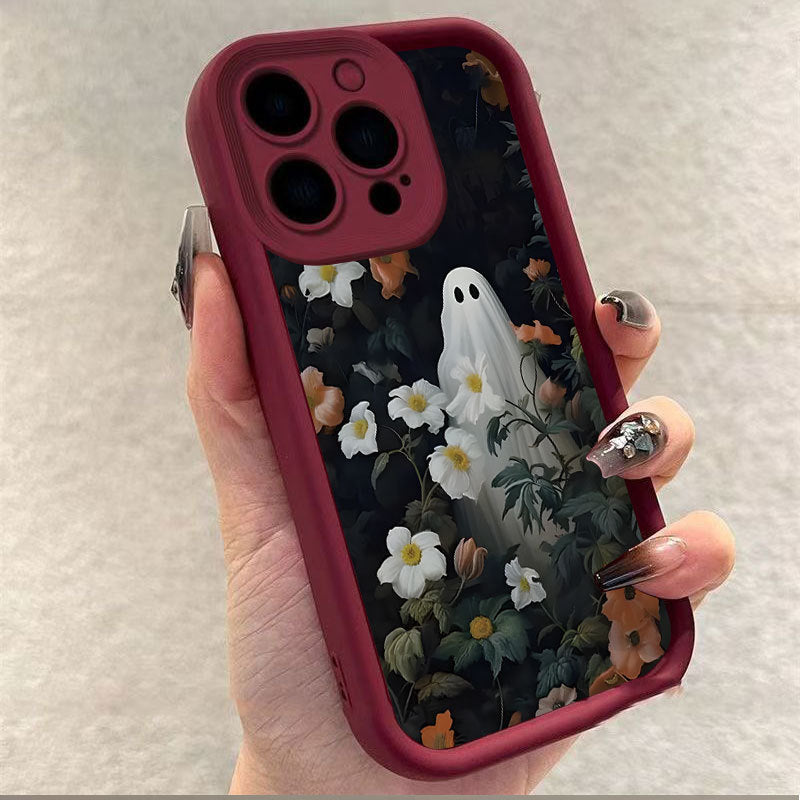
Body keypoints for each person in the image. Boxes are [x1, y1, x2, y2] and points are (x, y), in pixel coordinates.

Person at [184, 251, 735, 795]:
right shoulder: (461, 378)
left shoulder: (499, 374)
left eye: (472, 296)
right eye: (459, 300)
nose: (468, 308)